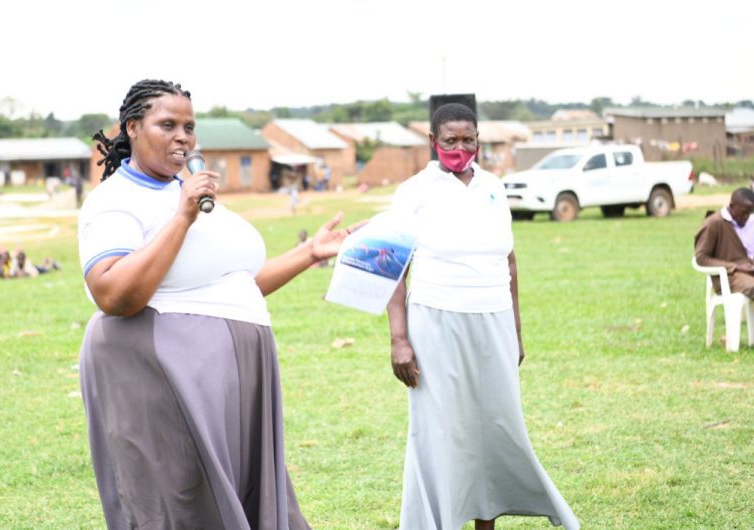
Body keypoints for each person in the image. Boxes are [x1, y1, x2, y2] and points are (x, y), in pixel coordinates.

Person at [78, 79, 360, 529]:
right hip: (170, 375)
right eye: (167, 124)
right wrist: (184, 216)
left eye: (189, 126)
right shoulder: (116, 201)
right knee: (187, 502)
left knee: (238, 497)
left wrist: (310, 253)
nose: (182, 137)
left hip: (231, 374)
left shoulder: (183, 192)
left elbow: (235, 284)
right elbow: (112, 293)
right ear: (131, 127)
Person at [386, 103, 579, 530]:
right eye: (450, 140)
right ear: (433, 142)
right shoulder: (414, 191)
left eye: (467, 139)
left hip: (493, 319)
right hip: (436, 321)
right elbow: (395, 267)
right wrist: (399, 338)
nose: (460, 147)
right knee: (444, 431)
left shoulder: (493, 186)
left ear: (479, 140)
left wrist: (516, 333)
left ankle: (487, 524)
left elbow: (509, 263)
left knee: (495, 427)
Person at [695, 187, 754, 296]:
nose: (746, 217)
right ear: (732, 206)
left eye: (749, 213)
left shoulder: (747, 223)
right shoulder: (713, 223)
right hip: (729, 278)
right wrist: (735, 266)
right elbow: (701, 258)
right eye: (744, 212)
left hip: (749, 271)